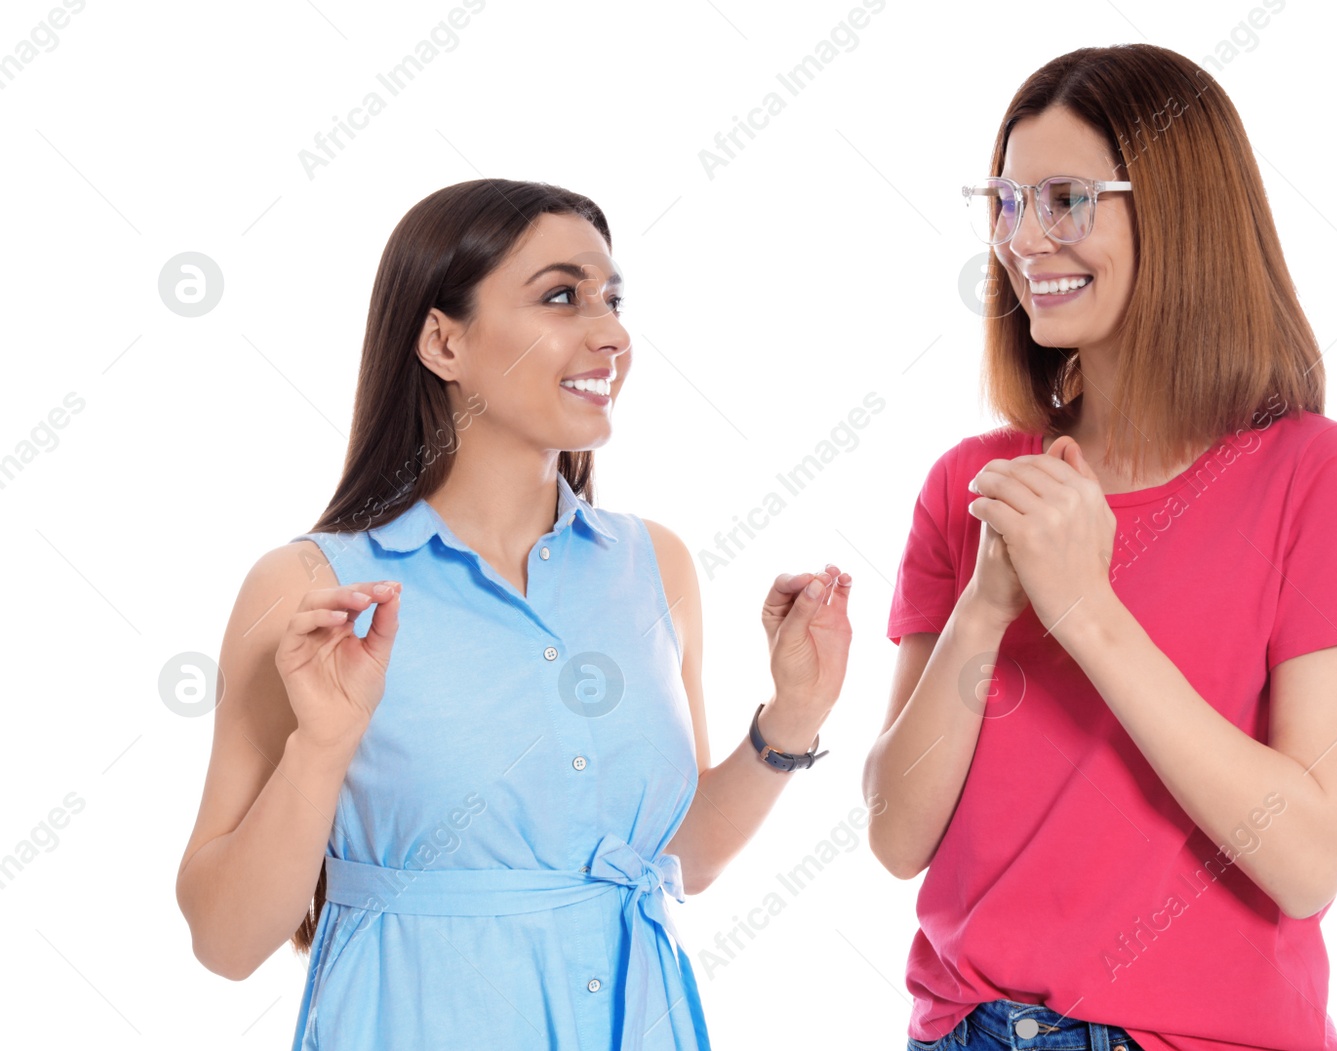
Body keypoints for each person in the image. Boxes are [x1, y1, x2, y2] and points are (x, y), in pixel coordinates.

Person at [174, 179, 853, 1050]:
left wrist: (794, 713)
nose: (610, 334)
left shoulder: (655, 567)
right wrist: (321, 747)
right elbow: (226, 943)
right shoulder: (310, 590)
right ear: (443, 340)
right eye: (562, 296)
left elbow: (670, 857)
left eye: (613, 299)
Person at [863, 44, 1337, 1051]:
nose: (1025, 239)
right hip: (967, 1033)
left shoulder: (1317, 478)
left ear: (1179, 209)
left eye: (1066, 199)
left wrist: (1084, 610)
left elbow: (1305, 858)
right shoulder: (973, 484)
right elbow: (897, 835)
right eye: (1006, 203)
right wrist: (986, 607)